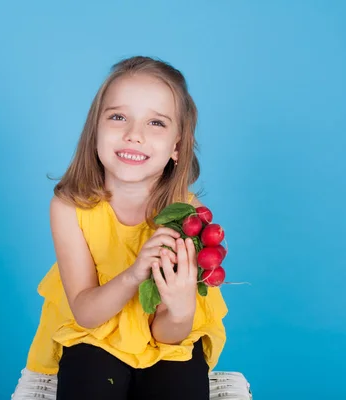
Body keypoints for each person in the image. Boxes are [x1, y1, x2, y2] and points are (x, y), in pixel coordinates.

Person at [24, 55, 228, 400]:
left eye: (156, 123)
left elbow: (169, 335)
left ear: (177, 147)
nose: (134, 135)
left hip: (166, 339)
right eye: (118, 117)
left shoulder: (186, 217)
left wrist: (180, 309)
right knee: (89, 379)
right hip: (94, 333)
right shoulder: (69, 207)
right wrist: (135, 273)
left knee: (178, 387)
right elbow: (87, 315)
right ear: (95, 131)